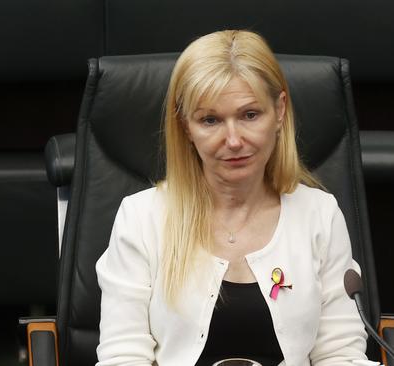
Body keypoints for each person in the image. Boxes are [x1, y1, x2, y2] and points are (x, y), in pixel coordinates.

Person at [95, 30, 369, 366]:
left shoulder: (320, 215)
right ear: (185, 127)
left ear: (279, 110)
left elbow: (341, 355)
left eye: (250, 115)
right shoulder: (141, 218)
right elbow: (123, 358)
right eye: (210, 120)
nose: (234, 140)